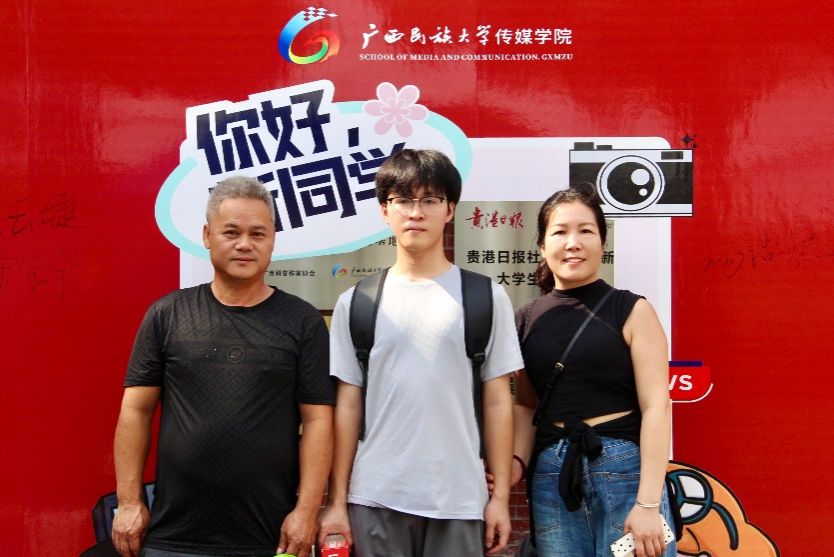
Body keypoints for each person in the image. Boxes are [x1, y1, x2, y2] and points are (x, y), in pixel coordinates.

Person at [111, 176, 335, 557]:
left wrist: (306, 511)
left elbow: (317, 421)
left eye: (258, 234)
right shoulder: (168, 315)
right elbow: (136, 410)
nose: (245, 244)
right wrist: (129, 501)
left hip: (270, 536)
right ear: (207, 235)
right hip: (173, 536)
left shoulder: (303, 322)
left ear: (273, 240)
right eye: (231, 232)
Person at [319, 149, 524, 557]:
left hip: (460, 499)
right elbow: (348, 405)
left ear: (450, 209)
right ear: (384, 210)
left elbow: (499, 400)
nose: (416, 212)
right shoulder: (356, 302)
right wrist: (337, 501)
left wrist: (500, 497)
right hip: (375, 496)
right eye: (403, 200)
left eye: (430, 199)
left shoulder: (485, 296)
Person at [511, 185, 675, 557]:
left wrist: (648, 503)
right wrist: (516, 464)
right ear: (542, 245)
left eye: (586, 231)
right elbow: (525, 404)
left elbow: (657, 406)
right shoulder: (524, 321)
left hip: (626, 471)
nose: (573, 243)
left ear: (602, 242)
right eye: (560, 232)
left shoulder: (632, 310)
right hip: (552, 475)